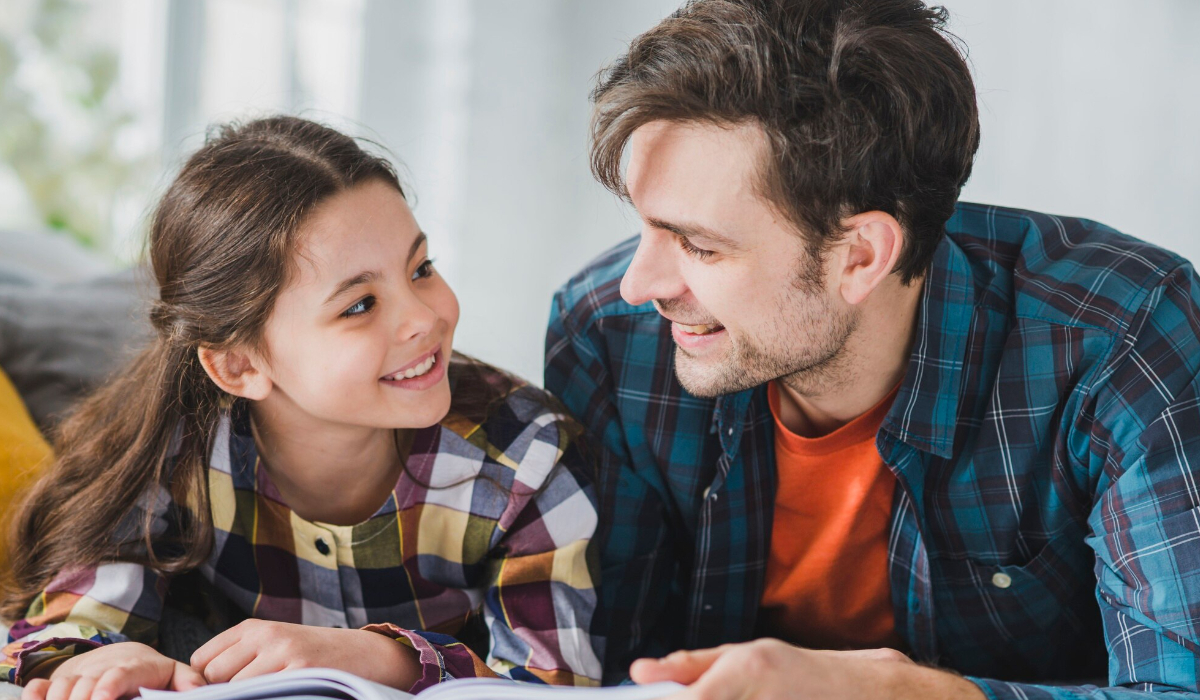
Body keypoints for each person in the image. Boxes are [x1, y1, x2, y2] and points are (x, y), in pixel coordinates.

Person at [545, 0, 1200, 697]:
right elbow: (597, 669)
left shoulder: (1120, 336)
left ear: (859, 256)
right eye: (646, 226)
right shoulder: (608, 338)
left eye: (699, 245)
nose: (636, 285)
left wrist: (904, 693)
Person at [2, 116, 601, 700]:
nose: (426, 317)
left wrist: (383, 657)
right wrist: (106, 654)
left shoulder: (525, 455)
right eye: (360, 305)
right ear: (239, 366)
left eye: (421, 268)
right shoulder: (167, 440)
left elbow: (556, 684)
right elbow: (72, 626)